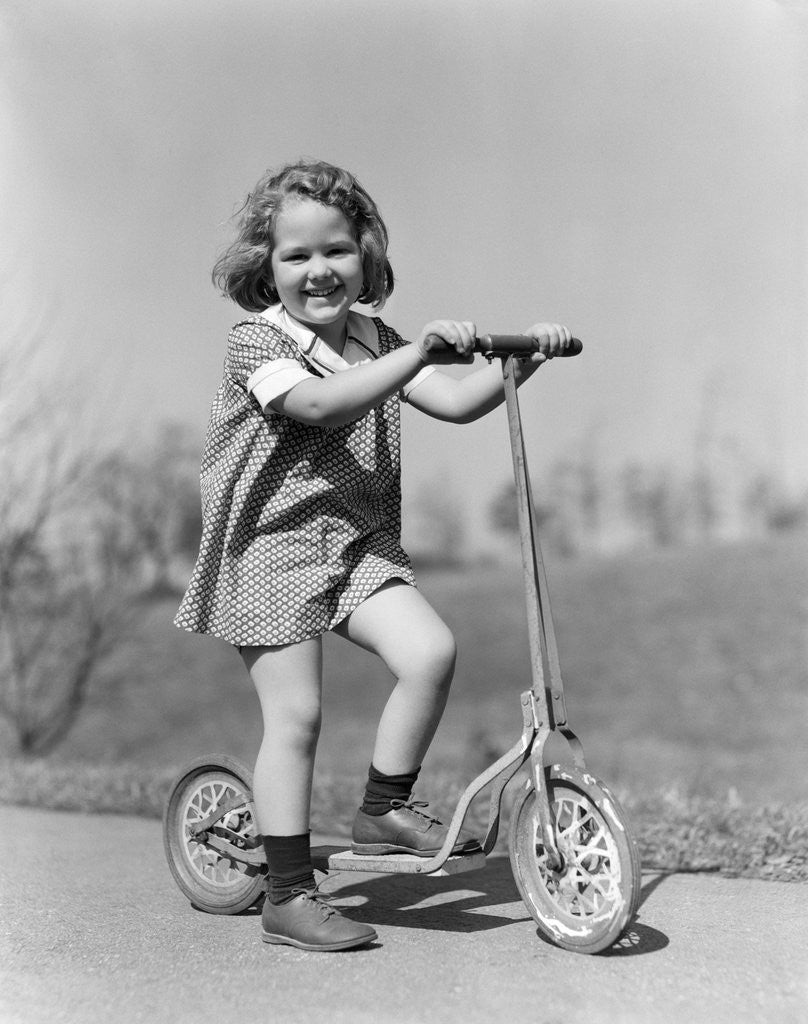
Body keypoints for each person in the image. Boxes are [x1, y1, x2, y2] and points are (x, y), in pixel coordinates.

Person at [175, 159, 574, 951]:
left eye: (337, 251)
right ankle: (287, 896)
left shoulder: (374, 338)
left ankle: (385, 806)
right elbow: (321, 406)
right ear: (267, 267)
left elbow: (457, 403)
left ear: (366, 255)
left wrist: (519, 361)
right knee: (297, 716)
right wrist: (419, 353)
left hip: (352, 544)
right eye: (296, 257)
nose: (319, 271)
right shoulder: (256, 343)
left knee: (430, 651)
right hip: (270, 549)